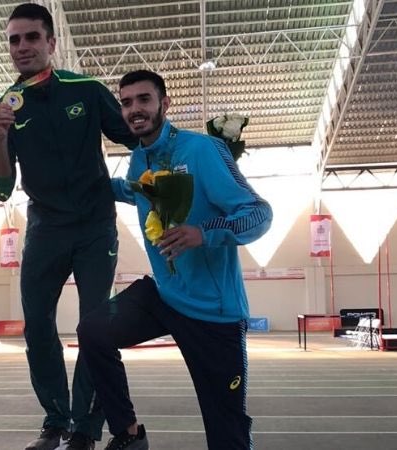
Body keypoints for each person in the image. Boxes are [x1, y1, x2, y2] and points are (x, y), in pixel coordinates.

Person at [76, 70, 273, 450]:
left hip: (214, 314)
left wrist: (204, 232)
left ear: (164, 104)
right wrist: (93, 185)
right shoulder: (139, 159)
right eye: (126, 102)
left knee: (228, 434)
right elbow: (139, 191)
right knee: (94, 331)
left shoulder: (203, 150)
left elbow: (259, 213)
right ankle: (129, 434)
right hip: (163, 296)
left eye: (144, 99)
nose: (135, 109)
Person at [0, 4, 137, 449]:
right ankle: (56, 419)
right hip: (45, 229)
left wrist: (173, 171)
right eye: (14, 40)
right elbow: (1, 187)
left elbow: (136, 136)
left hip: (95, 227)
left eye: (32, 37)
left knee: (94, 327)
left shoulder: (86, 90)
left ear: (51, 43)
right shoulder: (5, 108)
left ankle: (86, 428)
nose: (22, 46)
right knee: (36, 326)